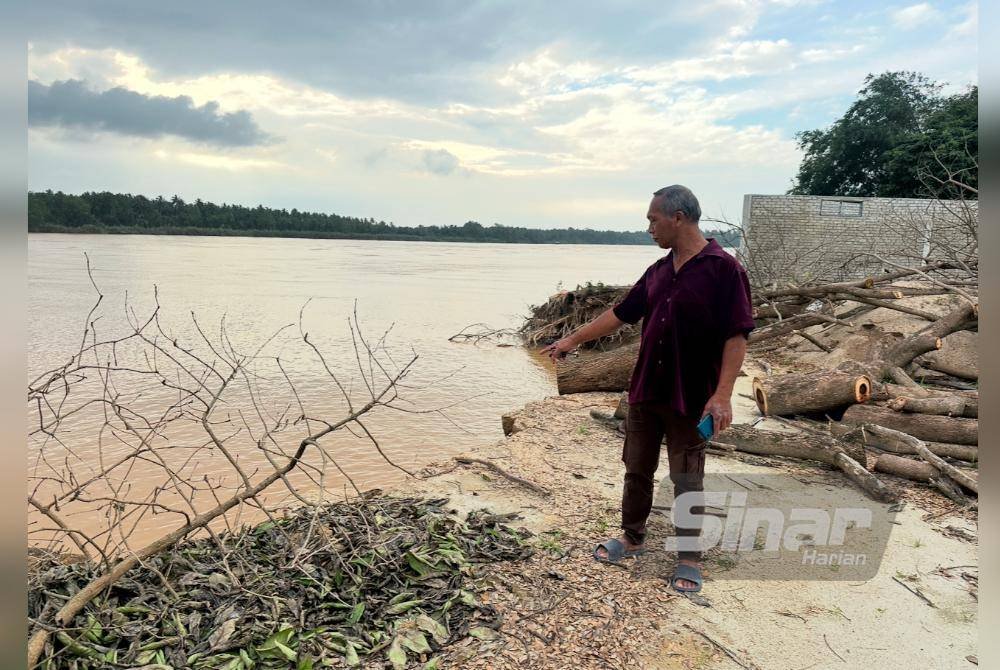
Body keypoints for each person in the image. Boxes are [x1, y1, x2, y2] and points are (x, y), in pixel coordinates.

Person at [542, 185, 754, 592]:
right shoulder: (658, 271)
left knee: (687, 476)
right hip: (646, 390)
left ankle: (689, 556)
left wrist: (722, 394)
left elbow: (737, 335)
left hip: (691, 395)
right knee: (636, 468)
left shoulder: (724, 269)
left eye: (653, 220)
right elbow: (619, 314)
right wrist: (572, 340)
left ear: (677, 217)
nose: (649, 228)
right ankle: (633, 536)